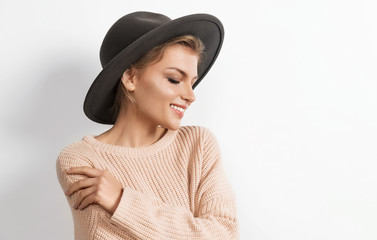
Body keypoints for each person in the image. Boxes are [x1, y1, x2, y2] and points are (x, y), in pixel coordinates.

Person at [55, 11, 239, 240]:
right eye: (174, 79)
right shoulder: (81, 160)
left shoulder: (198, 145)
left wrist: (123, 202)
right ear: (130, 78)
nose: (191, 96)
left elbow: (225, 234)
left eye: (192, 83)